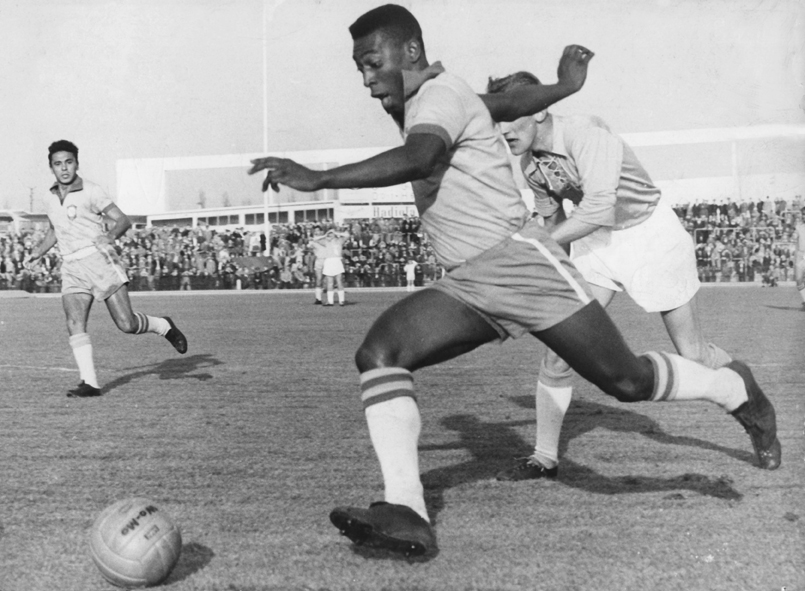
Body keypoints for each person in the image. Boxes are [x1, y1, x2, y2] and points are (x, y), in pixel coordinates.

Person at [248, 5, 779, 558]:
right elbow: (501, 105)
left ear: (410, 52)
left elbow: (420, 157)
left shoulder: (437, 97)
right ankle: (406, 511)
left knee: (627, 382)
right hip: (469, 282)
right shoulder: (441, 95)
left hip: (522, 267)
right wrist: (562, 87)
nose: (366, 79)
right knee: (380, 353)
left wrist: (320, 179)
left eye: (373, 63)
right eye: (359, 68)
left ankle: (736, 392)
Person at [485, 71, 734, 482]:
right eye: (497, 120)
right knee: (560, 345)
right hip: (597, 240)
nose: (503, 130)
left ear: (540, 110)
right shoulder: (530, 166)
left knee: (693, 356)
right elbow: (555, 226)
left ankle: (742, 385)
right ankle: (544, 457)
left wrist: (530, 246)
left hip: (649, 232)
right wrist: (543, 276)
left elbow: (596, 209)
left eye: (510, 116)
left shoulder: (584, 132)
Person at [25, 140, 188, 398]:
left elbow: (122, 220)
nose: (64, 168)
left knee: (127, 324)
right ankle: (90, 383)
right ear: (51, 167)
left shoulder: (92, 191)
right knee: (74, 322)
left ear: (77, 163)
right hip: (72, 266)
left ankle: (163, 325)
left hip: (99, 262)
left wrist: (110, 236)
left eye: (68, 162)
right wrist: (38, 251)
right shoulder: (48, 197)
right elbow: (55, 230)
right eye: (58, 164)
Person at [315, 228, 349, 306]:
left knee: (339, 281)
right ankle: (330, 301)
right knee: (329, 282)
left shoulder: (340, 240)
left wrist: (336, 232)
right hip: (328, 261)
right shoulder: (326, 241)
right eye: (329, 233)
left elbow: (347, 235)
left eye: (331, 233)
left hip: (337, 260)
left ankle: (342, 301)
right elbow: (315, 239)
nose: (330, 235)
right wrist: (324, 235)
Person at [308, 229, 328, 304]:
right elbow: (309, 246)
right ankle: (318, 299)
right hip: (319, 261)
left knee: (328, 279)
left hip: (327, 260)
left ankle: (329, 298)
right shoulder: (313, 241)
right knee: (319, 279)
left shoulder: (326, 240)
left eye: (318, 231)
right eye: (315, 231)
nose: (317, 232)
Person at [795, 208, 805, 310]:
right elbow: (795, 236)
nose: (804, 216)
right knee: (799, 280)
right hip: (801, 255)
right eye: (803, 214)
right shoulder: (798, 227)